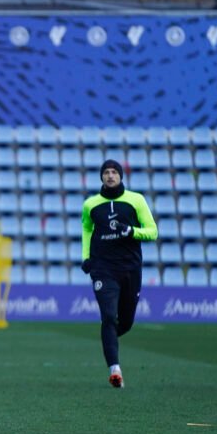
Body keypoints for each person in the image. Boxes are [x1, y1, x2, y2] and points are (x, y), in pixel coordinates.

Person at [80, 159, 158, 388]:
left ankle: (109, 338)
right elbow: (86, 230)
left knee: (124, 323)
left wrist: (130, 231)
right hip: (103, 269)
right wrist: (86, 257)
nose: (110, 176)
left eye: (114, 172)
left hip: (130, 269)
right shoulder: (91, 205)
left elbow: (153, 232)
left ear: (121, 176)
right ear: (101, 177)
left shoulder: (136, 200)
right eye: (106, 172)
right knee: (108, 316)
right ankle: (115, 369)